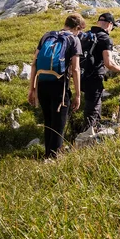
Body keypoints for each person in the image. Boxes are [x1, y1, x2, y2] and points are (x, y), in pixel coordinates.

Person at [27, 13, 85, 159]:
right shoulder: (74, 39)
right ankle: (53, 159)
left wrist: (32, 89)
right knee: (58, 124)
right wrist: (78, 94)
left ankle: (48, 154)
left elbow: (34, 63)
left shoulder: (47, 36)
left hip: (42, 84)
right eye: (79, 30)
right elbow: (76, 69)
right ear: (77, 28)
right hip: (59, 86)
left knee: (48, 121)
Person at [81, 13, 120, 131]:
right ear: (110, 24)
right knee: (92, 109)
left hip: (81, 75)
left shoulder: (86, 34)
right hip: (94, 77)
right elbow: (109, 63)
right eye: (112, 27)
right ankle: (87, 138)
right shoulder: (105, 38)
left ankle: (96, 129)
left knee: (91, 105)